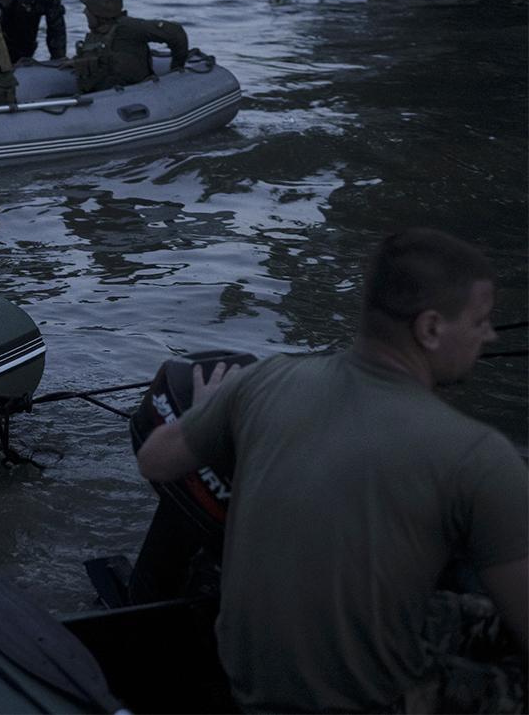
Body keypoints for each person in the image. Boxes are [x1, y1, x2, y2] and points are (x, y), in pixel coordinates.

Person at [137, 229, 527, 713]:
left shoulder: (264, 380)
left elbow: (153, 458)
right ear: (430, 329)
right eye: (481, 321)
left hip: (247, 689)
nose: (489, 335)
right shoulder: (480, 456)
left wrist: (210, 413)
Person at [65, 0, 189, 94]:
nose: (85, 12)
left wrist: (176, 69)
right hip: (102, 97)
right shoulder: (96, 33)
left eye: (88, 9)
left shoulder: (128, 28)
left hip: (132, 95)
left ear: (100, 12)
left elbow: (176, 32)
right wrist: (77, 62)